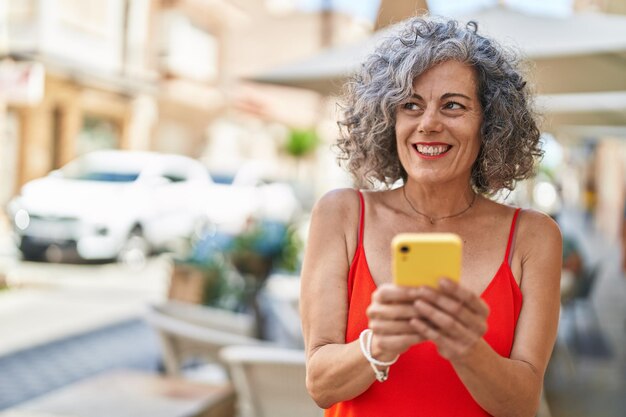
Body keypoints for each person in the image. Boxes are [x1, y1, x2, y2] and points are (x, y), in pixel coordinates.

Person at [300, 17, 562, 417]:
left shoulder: (533, 236)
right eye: (411, 105)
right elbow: (321, 385)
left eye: (453, 105)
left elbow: (523, 404)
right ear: (389, 120)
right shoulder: (341, 214)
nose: (429, 124)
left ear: (489, 123)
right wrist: (381, 343)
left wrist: (465, 346)